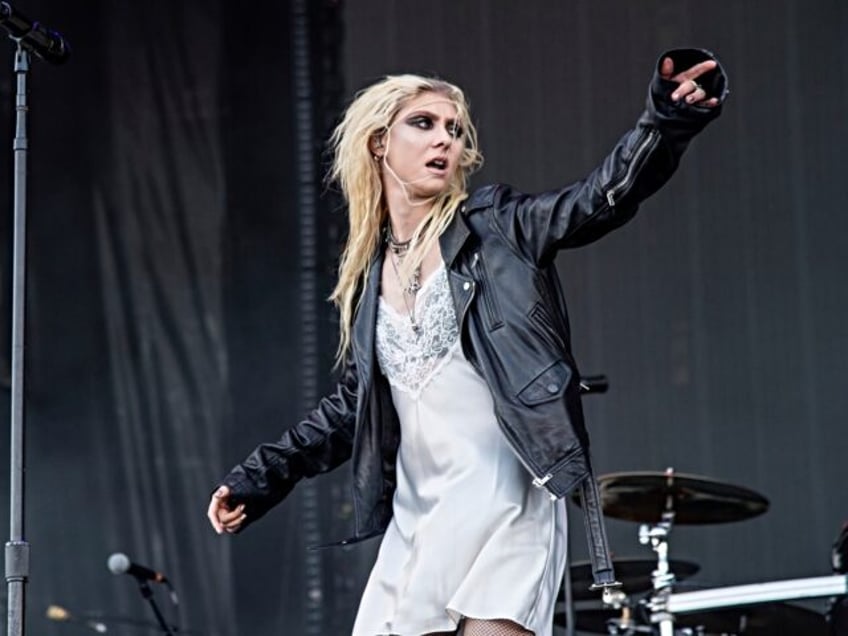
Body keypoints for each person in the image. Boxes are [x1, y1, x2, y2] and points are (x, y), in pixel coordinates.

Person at [208, 48, 728, 636]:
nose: (445, 141)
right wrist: (261, 475)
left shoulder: (498, 228)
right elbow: (348, 409)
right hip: (420, 516)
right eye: (423, 124)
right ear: (379, 142)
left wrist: (665, 120)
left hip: (507, 496)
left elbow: (600, 198)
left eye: (454, 130)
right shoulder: (366, 278)